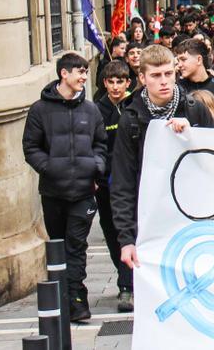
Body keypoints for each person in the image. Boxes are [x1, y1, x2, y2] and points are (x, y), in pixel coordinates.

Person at [111, 45, 214, 276]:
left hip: (191, 216)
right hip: (150, 220)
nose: (164, 81)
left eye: (168, 74)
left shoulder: (194, 109)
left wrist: (193, 136)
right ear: (142, 77)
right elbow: (123, 182)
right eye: (156, 76)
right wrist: (126, 239)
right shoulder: (130, 120)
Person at [23, 52, 108, 322]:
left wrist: (96, 167)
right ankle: (59, 295)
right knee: (57, 246)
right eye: (79, 72)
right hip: (53, 192)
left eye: (85, 71)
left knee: (76, 246)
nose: (84, 76)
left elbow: (101, 144)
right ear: (64, 74)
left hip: (83, 192)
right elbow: (31, 147)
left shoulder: (91, 110)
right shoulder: (40, 110)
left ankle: (77, 298)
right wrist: (50, 168)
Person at [92, 60, 133, 311]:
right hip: (106, 184)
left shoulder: (133, 107)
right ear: (105, 83)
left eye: (120, 81)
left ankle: (126, 285)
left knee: (127, 231)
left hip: (129, 182)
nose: (116, 86)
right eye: (111, 81)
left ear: (128, 83)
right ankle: (123, 275)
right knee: (111, 233)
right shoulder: (96, 110)